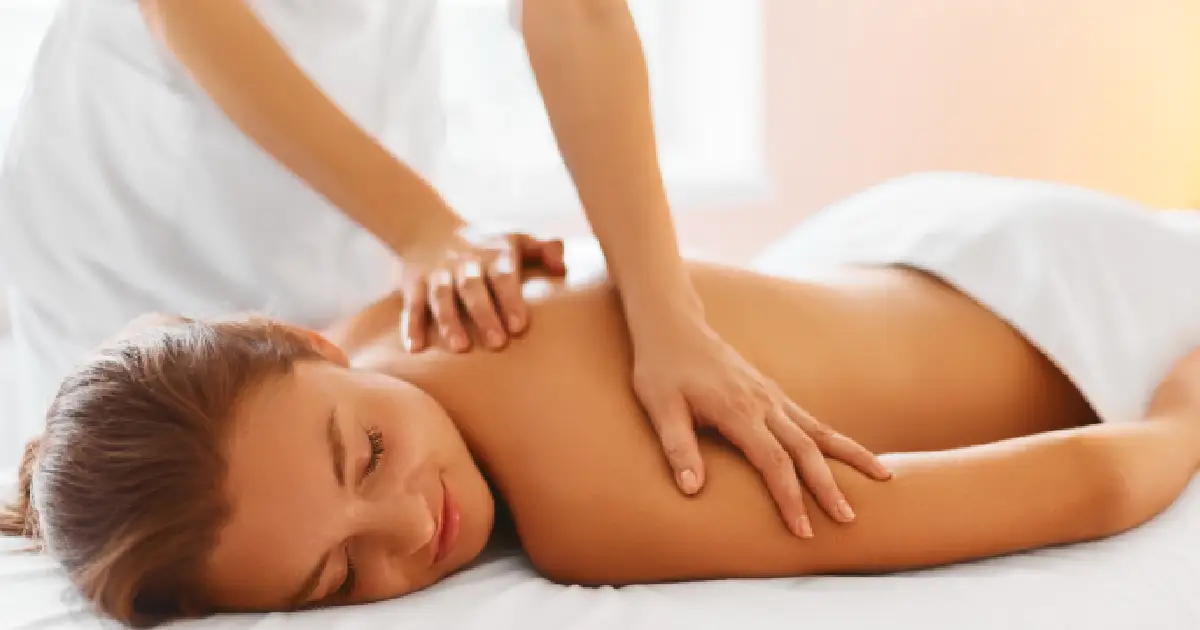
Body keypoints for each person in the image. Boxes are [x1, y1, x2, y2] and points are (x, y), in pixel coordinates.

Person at [5, 172, 1200, 627]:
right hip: (904, 224)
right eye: (338, 581)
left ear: (304, 341)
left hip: (1066, 305)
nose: (409, 531)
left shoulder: (597, 512)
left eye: (364, 456)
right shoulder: (409, 312)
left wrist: (1183, 411)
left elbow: (1093, 476)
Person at [0, 0, 873, 526]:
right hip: (134, 179)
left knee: (316, 483)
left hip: (358, 130)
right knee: (133, 507)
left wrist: (669, 315)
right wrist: (422, 227)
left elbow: (576, 13)